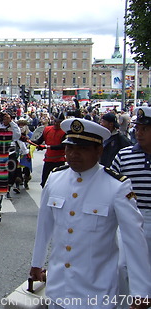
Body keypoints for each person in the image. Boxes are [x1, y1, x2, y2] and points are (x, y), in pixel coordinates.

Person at [30, 118, 151, 308]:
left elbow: (134, 240)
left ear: (99, 151)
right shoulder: (55, 178)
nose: (73, 154)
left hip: (97, 291)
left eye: (83, 149)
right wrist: (36, 262)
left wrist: (141, 291)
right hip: (59, 288)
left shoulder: (116, 186)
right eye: (69, 148)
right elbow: (44, 225)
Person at [111, 107, 151, 295]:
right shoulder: (124, 155)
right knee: (122, 267)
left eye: (145, 129)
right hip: (130, 218)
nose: (139, 132)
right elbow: (110, 187)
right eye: (138, 128)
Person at [32, 114, 66, 187]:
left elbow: (62, 146)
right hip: (48, 160)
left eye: (59, 122)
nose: (56, 123)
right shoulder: (47, 129)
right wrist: (28, 140)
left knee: (59, 183)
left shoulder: (65, 132)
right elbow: (39, 141)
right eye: (55, 121)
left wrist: (46, 147)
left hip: (59, 160)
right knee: (44, 182)